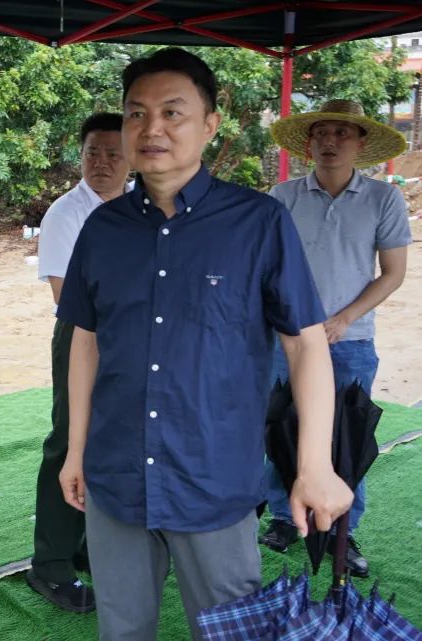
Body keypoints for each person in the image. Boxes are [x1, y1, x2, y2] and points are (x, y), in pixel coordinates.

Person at [56, 48, 354, 641]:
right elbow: (85, 343)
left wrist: (315, 464)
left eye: (173, 112)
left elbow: (305, 346)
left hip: (212, 479)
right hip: (116, 475)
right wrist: (75, 449)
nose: (152, 129)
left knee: (230, 631)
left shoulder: (258, 222)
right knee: (122, 629)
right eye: (136, 114)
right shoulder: (103, 228)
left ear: (210, 124)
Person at [259, 99, 410, 578]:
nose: (330, 142)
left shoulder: (384, 198)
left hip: (351, 340)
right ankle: (284, 517)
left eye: (342, 133)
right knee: (282, 426)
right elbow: (265, 266)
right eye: (322, 133)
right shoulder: (282, 197)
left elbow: (393, 274)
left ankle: (345, 526)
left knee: (349, 436)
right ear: (309, 143)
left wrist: (343, 320)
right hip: (286, 339)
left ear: (361, 143)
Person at [27, 112, 131, 613]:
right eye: (93, 152)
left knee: (115, 441)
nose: (102, 163)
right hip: (82, 336)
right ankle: (50, 565)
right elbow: (66, 295)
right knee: (70, 442)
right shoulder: (66, 213)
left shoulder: (142, 204)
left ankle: (89, 545)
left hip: (132, 338)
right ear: (80, 155)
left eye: (113, 153)